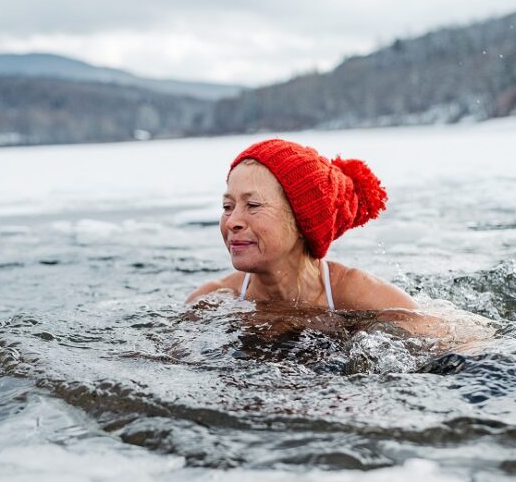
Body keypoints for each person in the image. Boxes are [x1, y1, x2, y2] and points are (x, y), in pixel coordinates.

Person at [187, 137, 465, 341]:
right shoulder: (214, 299)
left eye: (253, 205)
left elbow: (459, 338)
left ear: (300, 221)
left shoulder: (355, 293)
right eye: (227, 207)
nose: (232, 220)